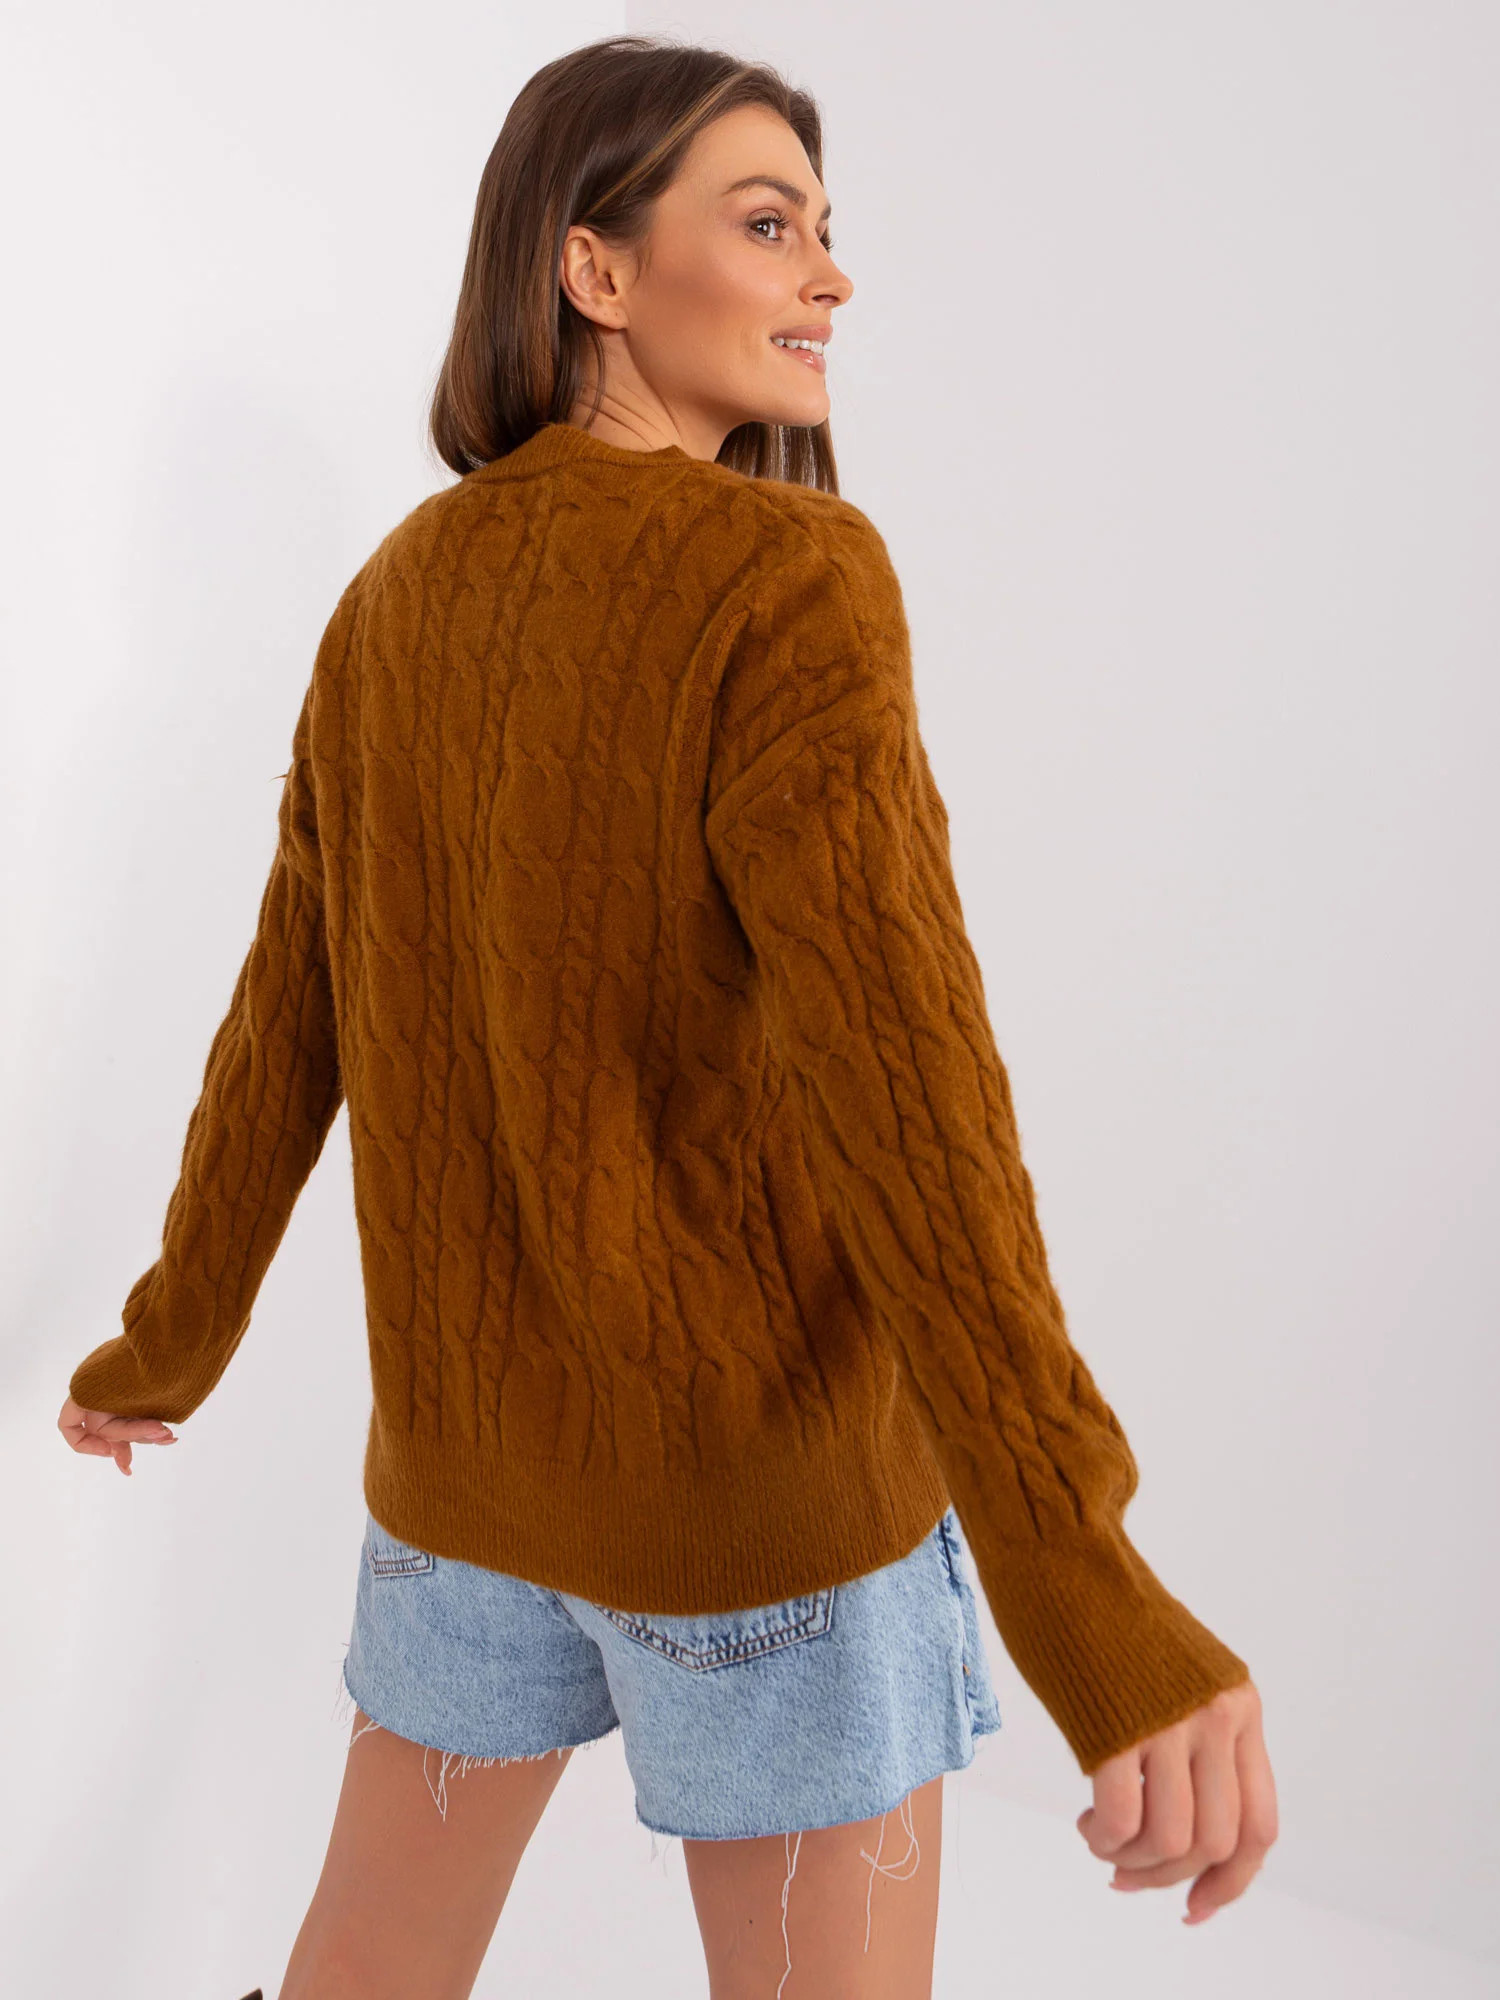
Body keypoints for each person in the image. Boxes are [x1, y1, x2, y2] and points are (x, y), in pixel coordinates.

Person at [57, 32, 1277, 2000]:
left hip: (461, 1499)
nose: (832, 276)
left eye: (825, 228)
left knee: (363, 1966)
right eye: (770, 223)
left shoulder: (392, 597)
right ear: (595, 268)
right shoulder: (789, 581)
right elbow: (914, 1109)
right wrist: (1085, 1579)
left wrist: (167, 1339)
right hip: (764, 1523)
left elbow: (285, 1025)